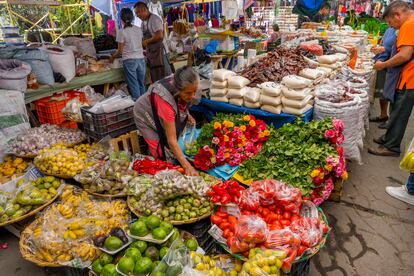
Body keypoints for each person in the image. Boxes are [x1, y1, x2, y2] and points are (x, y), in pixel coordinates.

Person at [133, 66, 199, 176]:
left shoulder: (181, 79)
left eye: (194, 91)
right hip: (144, 114)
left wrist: (187, 114)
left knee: (169, 140)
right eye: (188, 93)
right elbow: (171, 140)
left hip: (159, 108)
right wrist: (187, 166)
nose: (192, 96)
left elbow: (180, 103)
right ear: (178, 90)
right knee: (160, 152)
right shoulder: (166, 102)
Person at [369, 1, 414, 157]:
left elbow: (404, 55)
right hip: (406, 77)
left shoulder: (409, 24)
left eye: (390, 22)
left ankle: (392, 146)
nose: (392, 26)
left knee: (400, 112)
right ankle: (389, 138)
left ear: (397, 15)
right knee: (396, 110)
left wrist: (383, 65)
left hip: (410, 79)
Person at [110, 8, 145, 100]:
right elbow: (141, 44)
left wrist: (112, 57)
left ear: (121, 19)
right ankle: (145, 103)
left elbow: (120, 51)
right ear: (133, 17)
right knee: (141, 83)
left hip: (129, 61)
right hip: (141, 59)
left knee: (134, 84)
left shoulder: (122, 32)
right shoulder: (138, 29)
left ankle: (137, 104)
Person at [134, 1, 172, 83]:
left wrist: (146, 42)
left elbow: (160, 35)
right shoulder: (143, 22)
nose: (137, 15)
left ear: (143, 10)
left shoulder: (154, 19)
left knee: (167, 78)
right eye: (136, 14)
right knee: (158, 79)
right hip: (153, 55)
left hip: (161, 53)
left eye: (137, 13)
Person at [370, 27, 398, 127]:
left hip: (392, 65)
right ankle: (383, 115)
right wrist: (378, 52)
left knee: (392, 93)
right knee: (382, 91)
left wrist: (384, 49)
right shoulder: (389, 29)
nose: (390, 23)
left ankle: (391, 122)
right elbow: (384, 45)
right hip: (383, 62)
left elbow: (400, 51)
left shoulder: (405, 29)